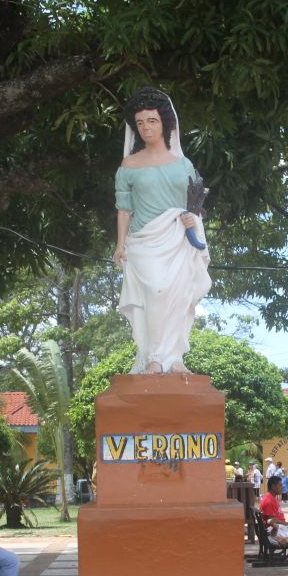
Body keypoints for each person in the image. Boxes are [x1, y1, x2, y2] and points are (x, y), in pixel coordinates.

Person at [113, 87, 211, 374]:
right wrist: (120, 244)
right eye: (140, 123)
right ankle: (154, 357)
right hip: (144, 241)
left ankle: (175, 358)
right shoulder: (129, 165)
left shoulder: (184, 165)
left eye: (152, 121)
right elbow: (124, 209)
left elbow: (194, 206)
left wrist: (194, 221)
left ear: (165, 123)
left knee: (180, 296)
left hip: (178, 240)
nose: (146, 128)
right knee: (155, 292)